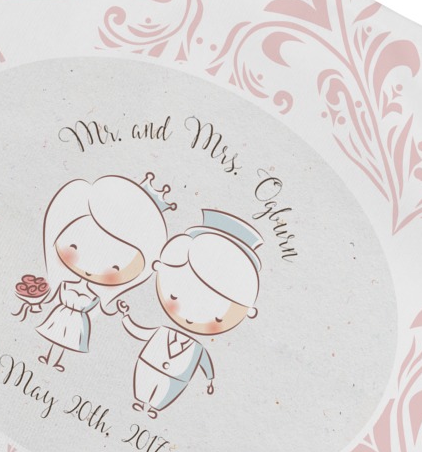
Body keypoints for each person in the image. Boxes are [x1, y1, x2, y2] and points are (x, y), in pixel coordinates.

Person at [120, 208, 263, 417]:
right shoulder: (162, 332)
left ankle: (154, 408)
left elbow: (205, 363)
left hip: (175, 378)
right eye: (175, 297)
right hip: (148, 366)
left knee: (164, 392)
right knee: (144, 384)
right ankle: (140, 401)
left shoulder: (197, 349)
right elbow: (140, 332)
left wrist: (210, 380)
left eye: (217, 317)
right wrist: (125, 317)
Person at [34, 174, 170, 371]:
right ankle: (48, 358)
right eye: (74, 247)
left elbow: (105, 309)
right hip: (60, 317)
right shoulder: (65, 284)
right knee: (55, 338)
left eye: (115, 267)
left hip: (75, 324)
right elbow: (52, 296)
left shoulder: (95, 295)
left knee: (64, 342)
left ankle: (55, 362)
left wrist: (120, 311)